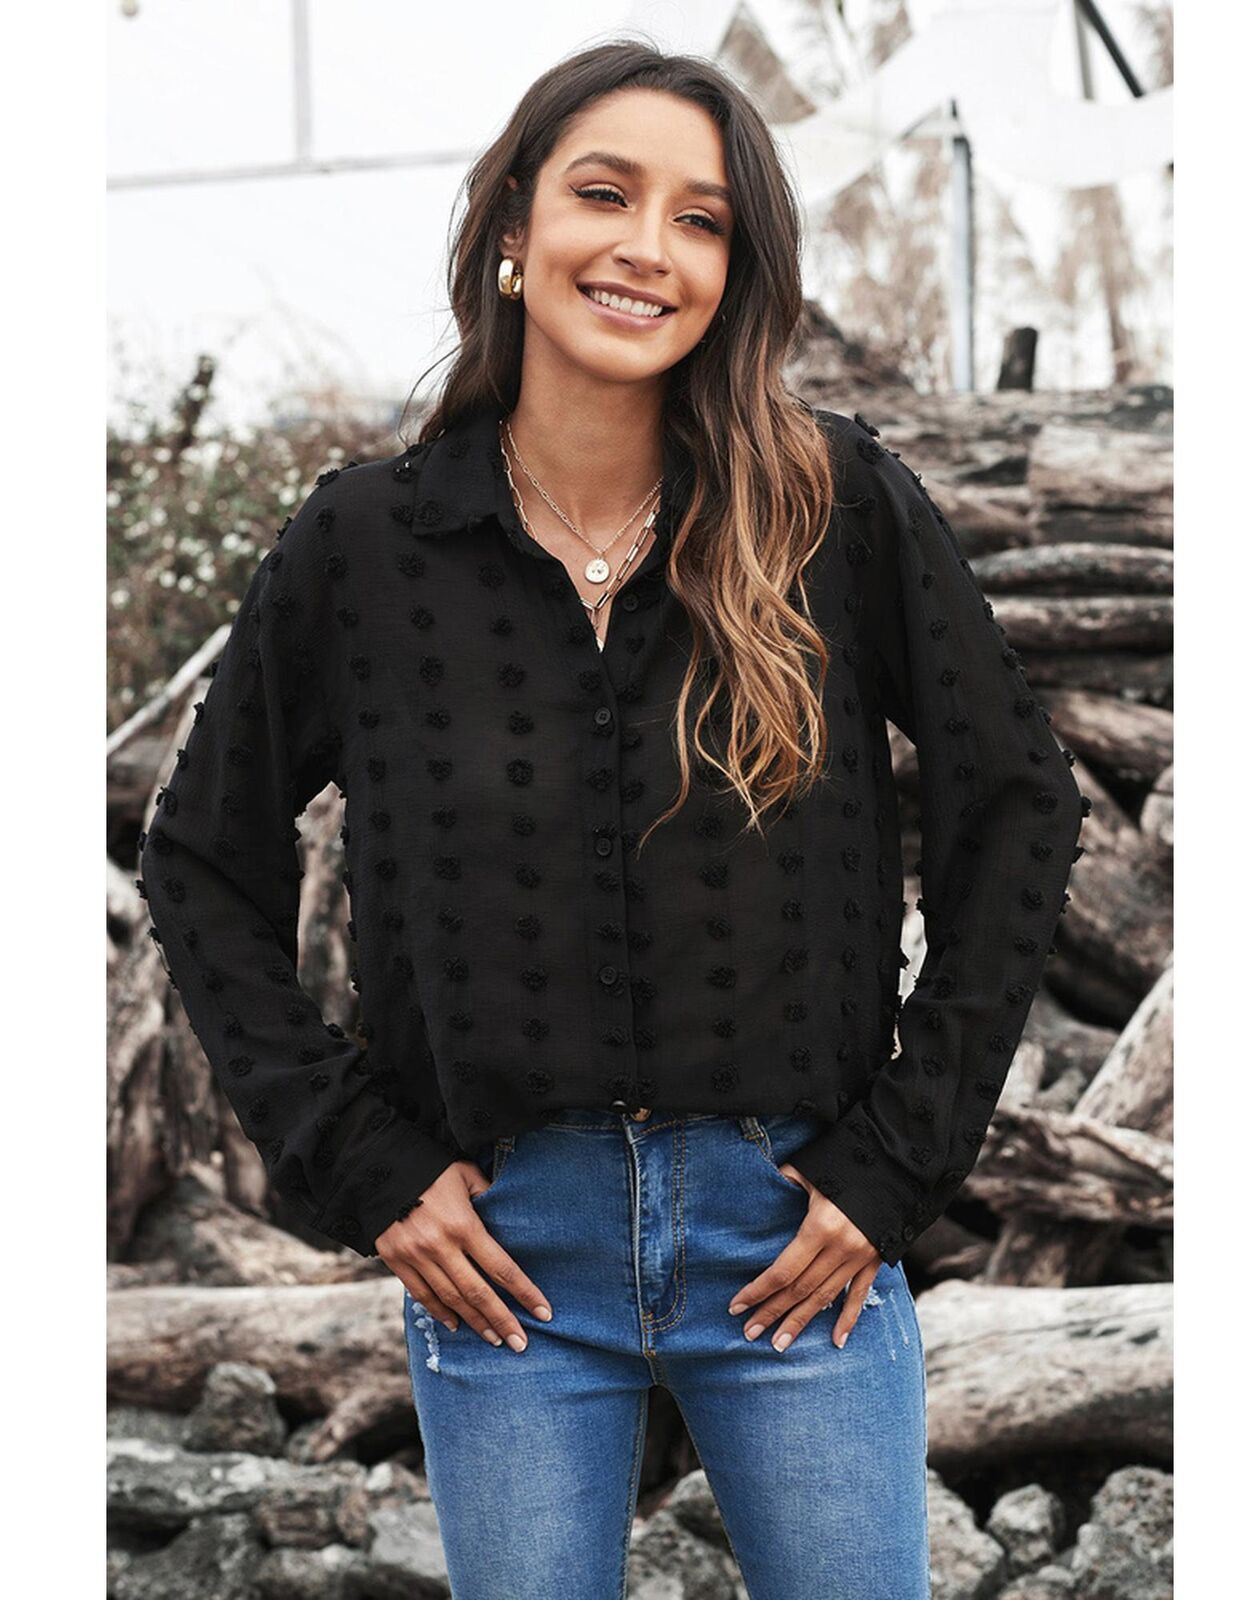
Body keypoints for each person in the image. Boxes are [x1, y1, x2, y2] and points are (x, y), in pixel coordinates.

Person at [139, 38, 1084, 1600]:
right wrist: (355, 1159)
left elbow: (1021, 804)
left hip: (795, 1245)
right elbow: (197, 857)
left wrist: (899, 1161)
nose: (650, 247)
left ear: (736, 273)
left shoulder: (834, 509)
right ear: (514, 227)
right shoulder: (365, 546)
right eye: (605, 194)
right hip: (507, 1264)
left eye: (702, 219)